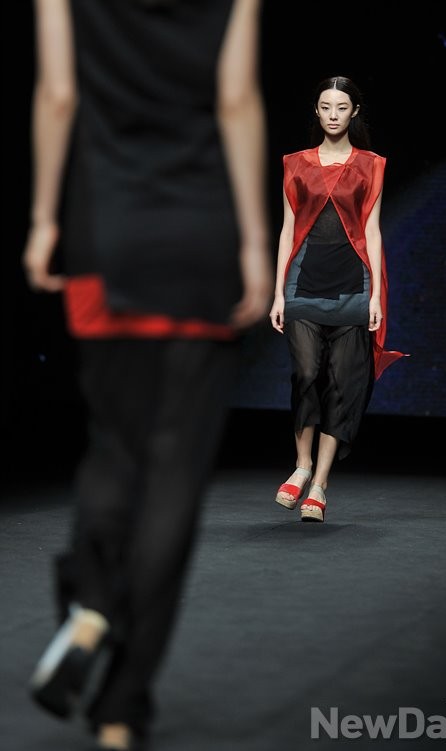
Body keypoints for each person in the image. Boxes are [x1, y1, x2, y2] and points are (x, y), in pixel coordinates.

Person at [22, 1, 272, 749]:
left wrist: (43, 221)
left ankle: (94, 600)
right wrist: (254, 242)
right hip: (198, 237)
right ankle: (121, 708)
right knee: (174, 474)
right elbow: (235, 98)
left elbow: (58, 94)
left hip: (106, 234)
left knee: (115, 445)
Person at [269, 75, 407, 524]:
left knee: (343, 385)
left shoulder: (371, 165)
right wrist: (277, 293)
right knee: (307, 372)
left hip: (354, 287)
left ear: (354, 112)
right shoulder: (295, 164)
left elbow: (372, 230)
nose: (333, 115)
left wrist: (377, 297)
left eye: (341, 107)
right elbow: (287, 230)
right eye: (326, 107)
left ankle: (320, 484)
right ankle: (301, 465)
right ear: (316, 110)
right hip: (303, 284)